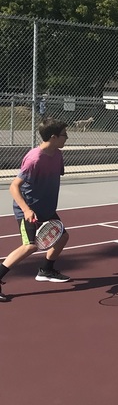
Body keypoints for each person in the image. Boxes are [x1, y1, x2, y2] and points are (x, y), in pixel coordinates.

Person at [0, 118, 71, 302]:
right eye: (64, 135)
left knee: (62, 236)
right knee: (30, 245)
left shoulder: (57, 155)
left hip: (46, 207)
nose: (67, 138)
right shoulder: (34, 159)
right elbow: (14, 186)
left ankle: (46, 270)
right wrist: (27, 210)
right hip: (29, 209)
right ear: (54, 137)